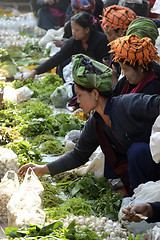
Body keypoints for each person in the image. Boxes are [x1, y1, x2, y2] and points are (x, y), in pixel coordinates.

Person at [18, 53, 160, 196]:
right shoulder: (96, 122)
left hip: (153, 163)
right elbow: (78, 155)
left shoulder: (127, 103)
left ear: (95, 94)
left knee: (137, 150)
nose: (77, 101)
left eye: (80, 96)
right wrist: (42, 169)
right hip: (138, 171)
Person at [22, 12, 110, 81]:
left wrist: (86, 59)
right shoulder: (74, 41)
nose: (73, 32)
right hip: (85, 77)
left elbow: (105, 66)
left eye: (77, 30)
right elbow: (57, 58)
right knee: (62, 64)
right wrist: (34, 72)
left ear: (87, 29)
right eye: (72, 28)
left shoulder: (101, 40)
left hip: (100, 78)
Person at [100, 5, 137, 84]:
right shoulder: (117, 48)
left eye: (109, 34)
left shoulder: (130, 54)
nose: (108, 38)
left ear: (121, 31)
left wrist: (113, 78)